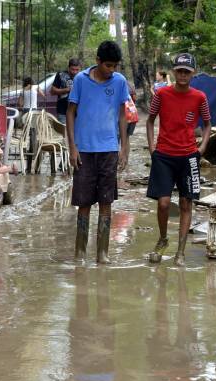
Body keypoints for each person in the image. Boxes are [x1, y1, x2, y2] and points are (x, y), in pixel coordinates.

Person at [66, 41, 130, 263]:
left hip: (109, 149)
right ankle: (80, 251)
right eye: (108, 65)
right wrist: (72, 147)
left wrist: (125, 146)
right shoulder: (80, 80)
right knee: (84, 202)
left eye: (115, 66)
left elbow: (123, 115)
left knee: (106, 200)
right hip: (84, 150)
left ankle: (103, 252)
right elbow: (71, 113)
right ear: (98, 61)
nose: (112, 70)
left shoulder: (119, 82)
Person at [146, 53, 211, 266]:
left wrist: (201, 148)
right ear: (174, 71)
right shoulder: (161, 94)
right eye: (180, 71)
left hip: (189, 157)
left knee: (186, 202)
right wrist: (152, 147)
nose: (183, 75)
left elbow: (208, 124)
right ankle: (163, 239)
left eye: (187, 72)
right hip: (164, 155)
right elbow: (150, 121)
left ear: (192, 74)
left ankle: (180, 251)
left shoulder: (199, 97)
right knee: (164, 203)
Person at [52, 58, 82, 124]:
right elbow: (52, 91)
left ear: (80, 68)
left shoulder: (83, 77)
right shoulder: (60, 75)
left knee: (77, 133)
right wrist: (67, 90)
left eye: (77, 70)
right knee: (64, 132)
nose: (75, 72)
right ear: (68, 67)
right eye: (72, 69)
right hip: (63, 111)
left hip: (79, 111)